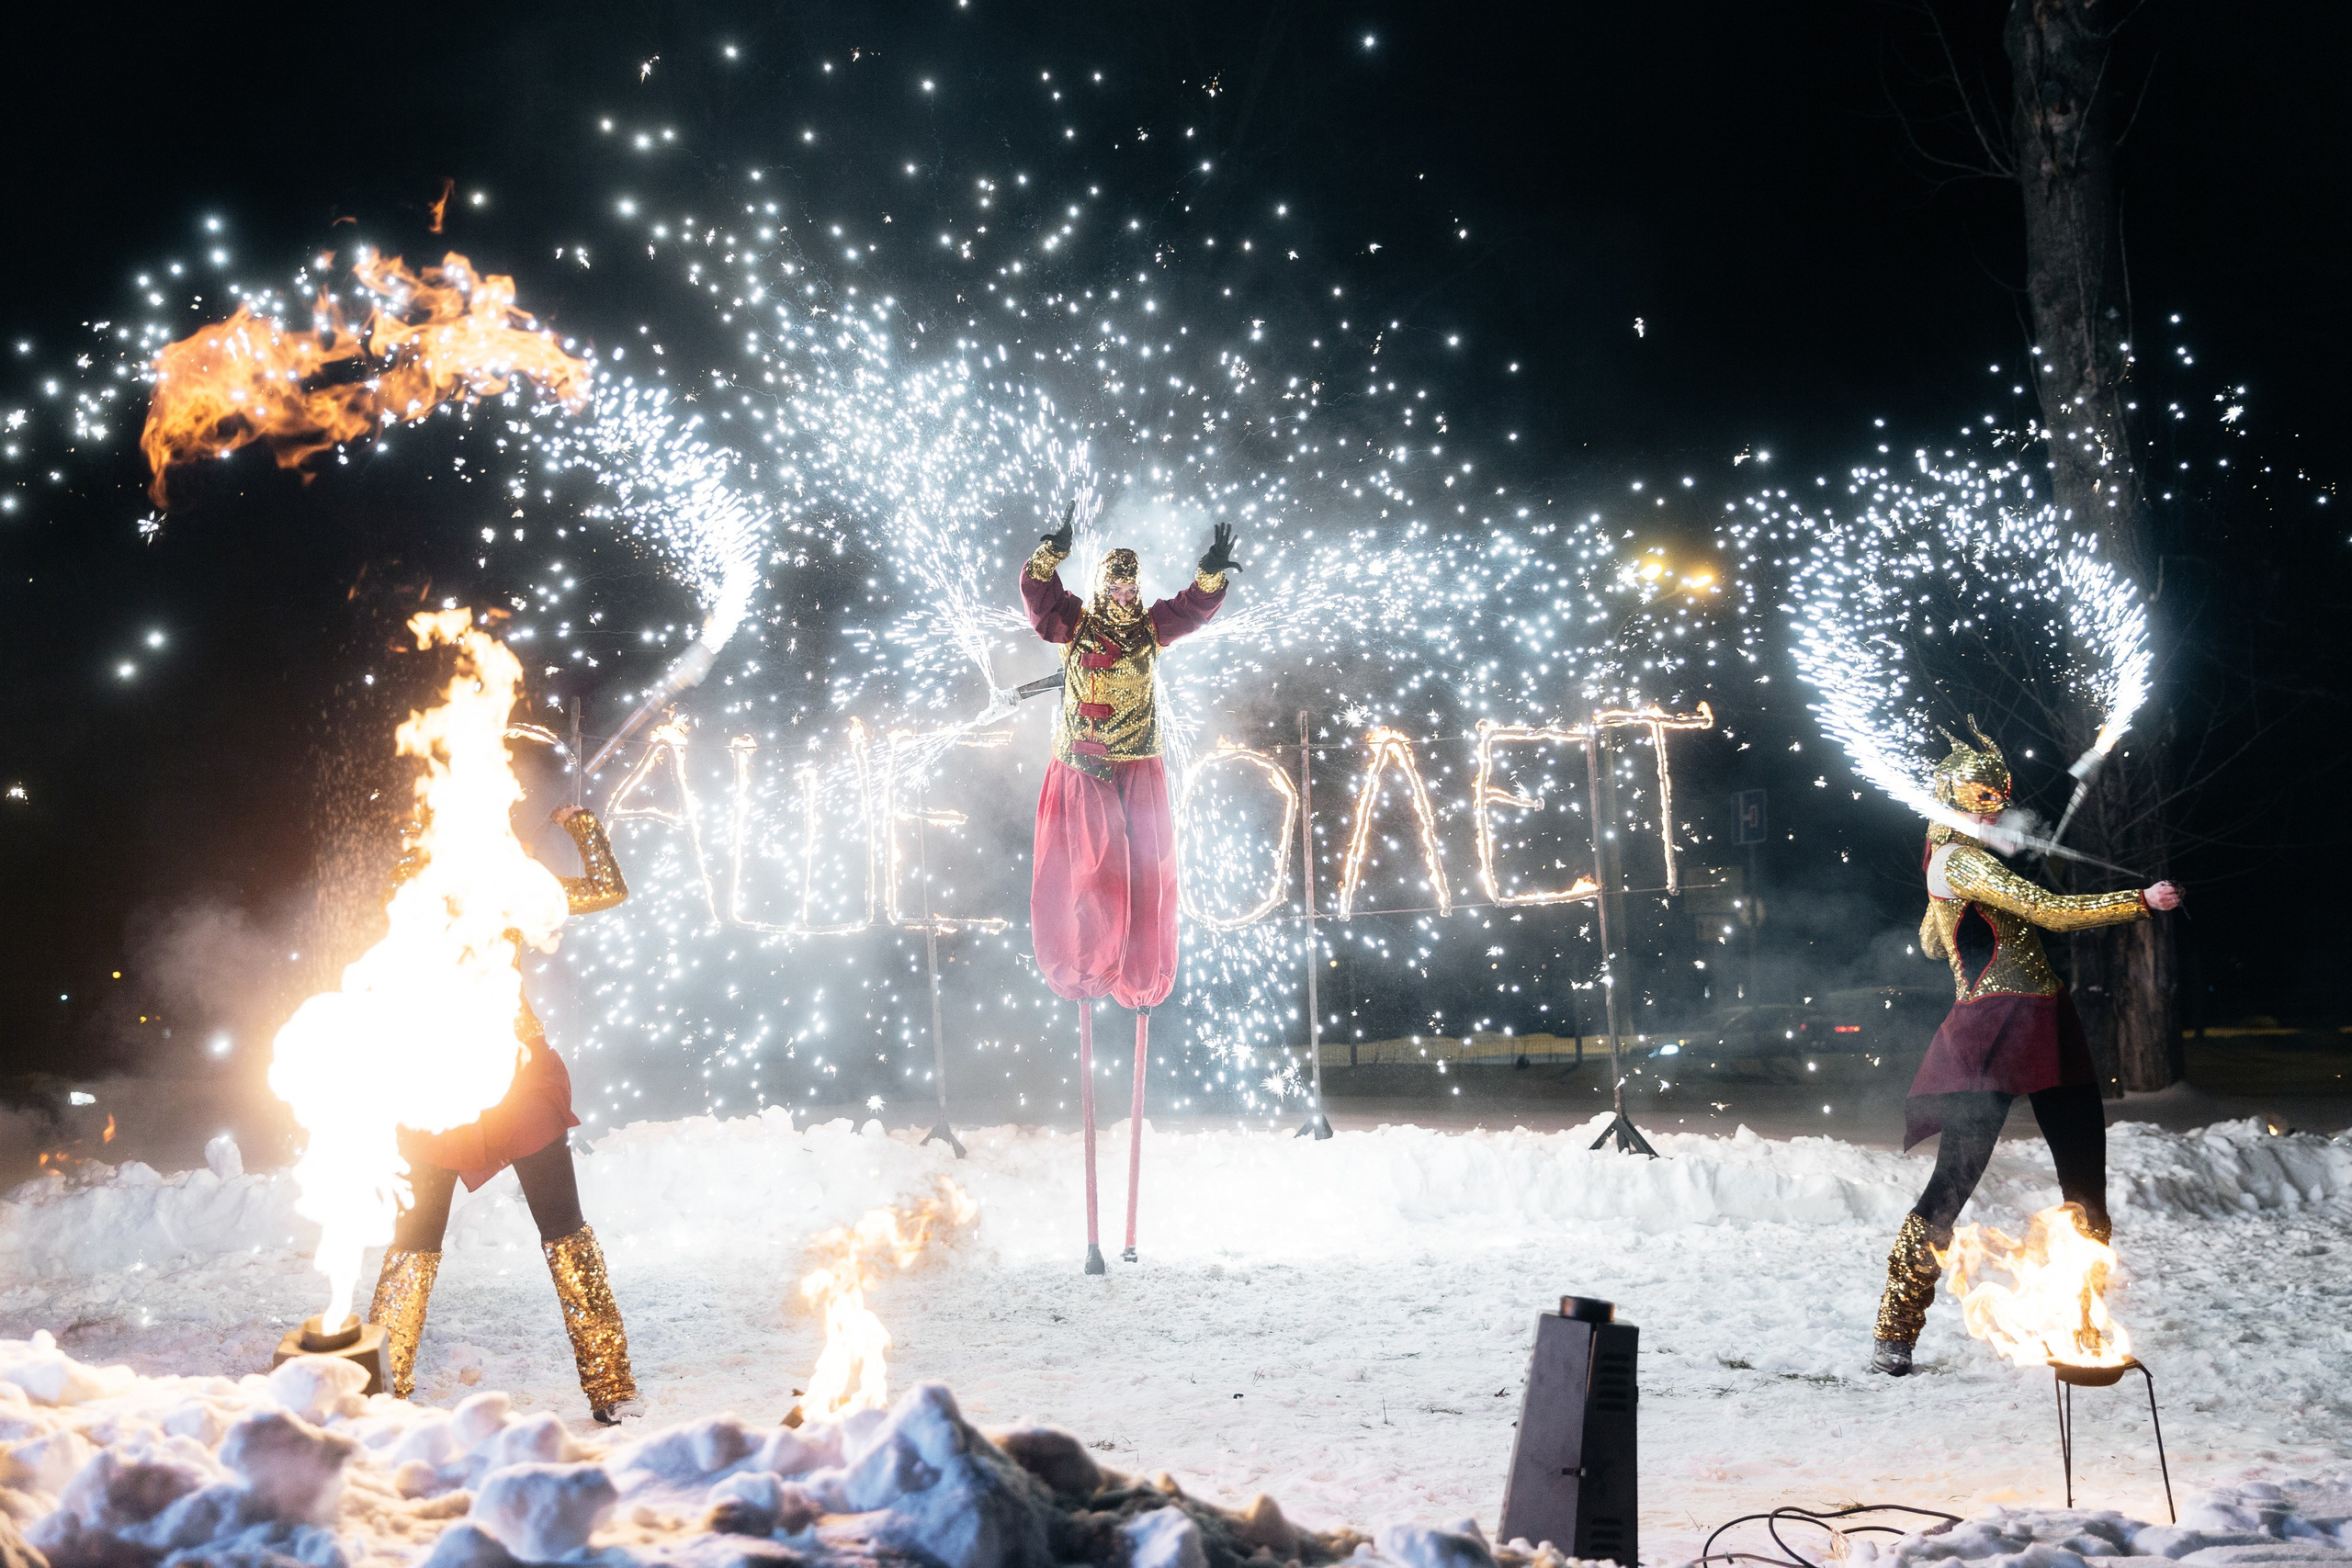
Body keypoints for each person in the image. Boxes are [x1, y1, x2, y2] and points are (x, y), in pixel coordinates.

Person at [1870, 721, 2181, 1376]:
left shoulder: (1949, 859)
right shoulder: (1961, 860)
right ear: (1955, 797)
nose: (1994, 809)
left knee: (2084, 1182)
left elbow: (1932, 942)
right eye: (1982, 799)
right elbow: (2053, 912)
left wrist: (1962, 906)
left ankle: (2085, 1324)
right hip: (1994, 1028)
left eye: (1997, 799)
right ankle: (1894, 1329)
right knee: (1952, 1182)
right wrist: (2141, 901)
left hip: (2041, 1019)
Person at [366, 804, 642, 1423]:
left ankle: (611, 1383)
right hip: (437, 1084)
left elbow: (607, 889)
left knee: (565, 1228)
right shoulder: (416, 889)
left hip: (517, 1079)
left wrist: (583, 828)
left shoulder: (512, 889)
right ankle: (383, 1392)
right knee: (412, 1243)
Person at [1022, 504, 1240, 1270]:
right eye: (1112, 585)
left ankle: (1140, 973)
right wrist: (1045, 557)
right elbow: (1040, 602)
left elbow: (1189, 609)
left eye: (1127, 587)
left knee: (1144, 877)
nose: (1120, 596)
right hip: (1081, 771)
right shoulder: (1074, 625)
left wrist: (1211, 577)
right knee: (1089, 882)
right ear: (1098, 587)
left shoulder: (1149, 630)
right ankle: (1083, 961)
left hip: (1137, 771)